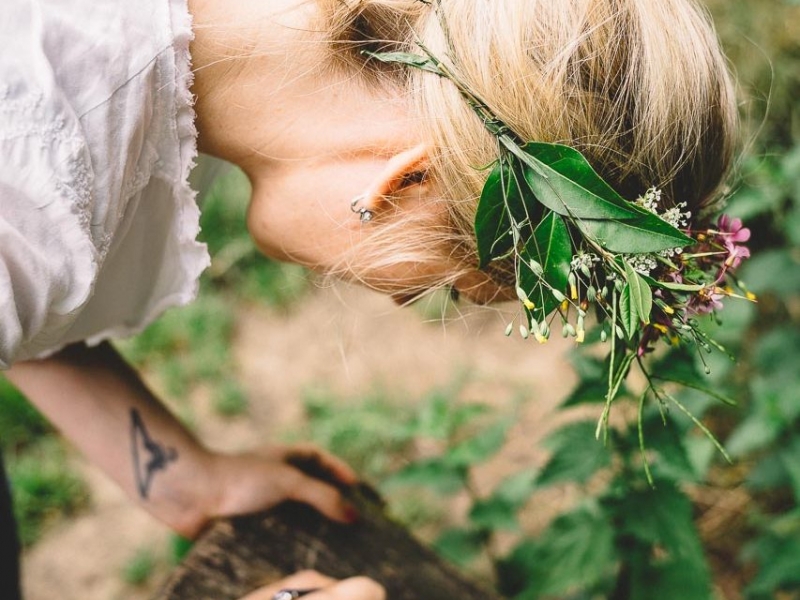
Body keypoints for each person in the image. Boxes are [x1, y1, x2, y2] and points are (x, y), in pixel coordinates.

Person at [0, 0, 737, 598]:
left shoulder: (200, 57)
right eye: (439, 286)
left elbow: (30, 301)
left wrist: (181, 475)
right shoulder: (36, 169)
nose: (401, 302)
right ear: (406, 180)